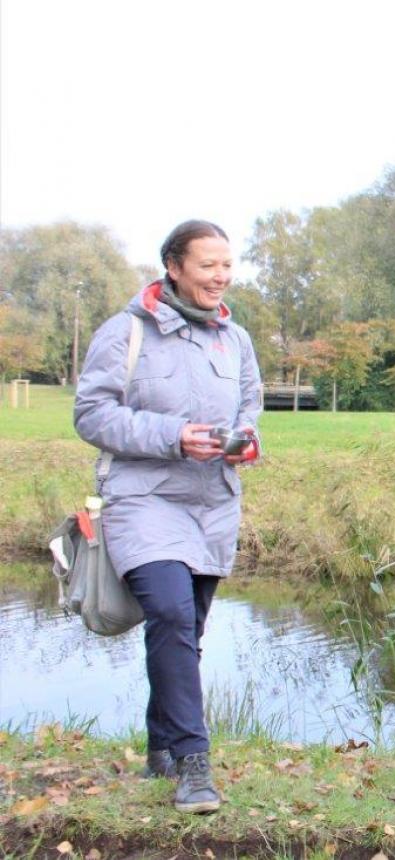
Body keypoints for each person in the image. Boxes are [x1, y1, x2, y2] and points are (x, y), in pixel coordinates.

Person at [73, 220, 263, 814]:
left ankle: (161, 741)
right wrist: (173, 437)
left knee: (187, 630)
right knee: (173, 615)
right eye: (208, 264)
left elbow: (251, 405)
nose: (221, 276)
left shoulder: (236, 340)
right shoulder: (125, 332)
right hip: (141, 497)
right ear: (174, 266)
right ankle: (193, 765)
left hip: (212, 503)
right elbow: (91, 414)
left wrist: (246, 440)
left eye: (227, 264)